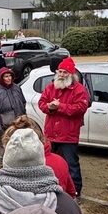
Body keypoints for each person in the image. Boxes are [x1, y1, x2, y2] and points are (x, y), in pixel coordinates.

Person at [37, 57, 90, 197]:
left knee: (71, 165)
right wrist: (49, 107)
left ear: (71, 74)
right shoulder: (51, 87)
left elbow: (80, 108)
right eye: (60, 71)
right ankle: (50, 186)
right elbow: (41, 102)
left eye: (65, 72)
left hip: (68, 135)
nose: (61, 74)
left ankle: (76, 191)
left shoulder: (79, 90)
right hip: (51, 133)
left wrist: (60, 106)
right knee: (49, 162)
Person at [4, 117, 77, 197]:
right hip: (57, 206)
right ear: (42, 138)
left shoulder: (8, 172)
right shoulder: (60, 161)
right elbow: (71, 192)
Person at [0, 66, 26, 149]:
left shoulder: (17, 88)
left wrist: (23, 117)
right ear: (1, 78)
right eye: (6, 76)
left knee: (20, 145)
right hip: (5, 126)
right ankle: (3, 161)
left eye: (10, 76)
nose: (9, 78)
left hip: (19, 123)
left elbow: (23, 102)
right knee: (5, 146)